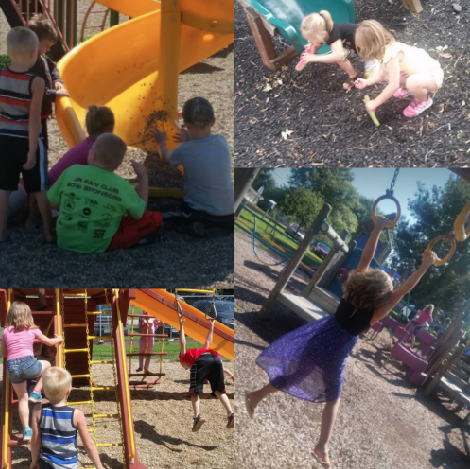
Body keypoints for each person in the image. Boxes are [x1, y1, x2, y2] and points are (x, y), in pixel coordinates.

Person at [245, 216, 437, 468]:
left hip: (321, 335)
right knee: (333, 399)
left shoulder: (352, 288)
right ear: (384, 296)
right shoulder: (380, 310)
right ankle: (322, 445)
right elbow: (406, 287)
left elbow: (365, 259)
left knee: (296, 375)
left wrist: (378, 228)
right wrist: (425, 266)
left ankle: (257, 395)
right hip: (336, 350)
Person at [47, 133, 163, 253]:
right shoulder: (122, 186)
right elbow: (140, 213)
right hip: (100, 246)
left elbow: (52, 202)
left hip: (64, 239)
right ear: (118, 164)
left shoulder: (71, 171)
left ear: (92, 154)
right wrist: (143, 178)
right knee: (156, 217)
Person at [0, 27, 54, 244]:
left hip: (4, 138)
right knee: (40, 187)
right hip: (27, 140)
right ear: (34, 53)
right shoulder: (36, 82)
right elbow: (34, 119)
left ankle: (1, 232)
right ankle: (49, 232)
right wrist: (32, 150)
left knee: (3, 188)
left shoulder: (1, 76)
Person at [152, 97, 234, 236]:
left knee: (161, 215)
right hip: (230, 215)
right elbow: (202, 149)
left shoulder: (186, 150)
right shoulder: (222, 141)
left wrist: (161, 142)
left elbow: (165, 158)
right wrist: (189, 139)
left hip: (205, 215)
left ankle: (197, 228)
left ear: (186, 124)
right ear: (213, 122)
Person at [354, 20, 444, 117]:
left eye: (361, 47)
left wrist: (375, 102)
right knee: (389, 75)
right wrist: (368, 82)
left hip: (432, 76)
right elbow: (382, 74)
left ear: (368, 46)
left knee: (412, 82)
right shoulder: (383, 51)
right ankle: (409, 87)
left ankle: (423, 101)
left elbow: (394, 85)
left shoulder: (391, 55)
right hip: (417, 75)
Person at [1, 302, 63, 441]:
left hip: (13, 367)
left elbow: (4, 354)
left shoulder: (6, 331)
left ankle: (26, 430)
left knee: (22, 399)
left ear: (10, 315)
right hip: (28, 364)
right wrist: (58, 339)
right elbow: (49, 342)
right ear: (28, 316)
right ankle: (36, 392)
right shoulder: (33, 330)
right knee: (47, 365)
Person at [29, 367, 104, 469]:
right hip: (68, 465)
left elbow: (35, 441)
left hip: (46, 463)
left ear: (44, 391)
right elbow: (88, 445)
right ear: (69, 391)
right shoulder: (76, 415)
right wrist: (99, 466)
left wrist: (34, 461)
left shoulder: (38, 410)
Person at [296, 11, 379, 89]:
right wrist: (311, 48)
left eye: (311, 39)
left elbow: (337, 55)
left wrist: (314, 57)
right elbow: (317, 44)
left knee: (372, 67)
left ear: (322, 34)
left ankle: (377, 66)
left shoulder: (333, 33)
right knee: (341, 59)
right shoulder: (323, 33)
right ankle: (353, 76)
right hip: (352, 43)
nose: (309, 41)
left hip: (368, 42)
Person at [178, 315, 234, 432]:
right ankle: (231, 414)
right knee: (219, 390)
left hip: (203, 361)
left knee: (194, 391)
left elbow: (183, 342)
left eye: (183, 367)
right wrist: (212, 325)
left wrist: (181, 325)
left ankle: (197, 416)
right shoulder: (202, 350)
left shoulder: (183, 357)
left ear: (181, 361)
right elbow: (208, 341)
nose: (185, 368)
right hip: (216, 359)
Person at [28, 15, 69, 152]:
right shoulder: (28, 64)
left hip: (42, 114)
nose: (49, 49)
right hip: (32, 117)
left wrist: (57, 80)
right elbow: (34, 91)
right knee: (36, 146)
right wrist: (55, 94)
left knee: (42, 146)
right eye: (47, 45)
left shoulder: (42, 58)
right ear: (35, 42)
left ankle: (39, 166)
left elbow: (53, 68)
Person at [48, 106, 115, 186]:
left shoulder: (89, 144)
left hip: (52, 181)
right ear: (110, 129)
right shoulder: (96, 150)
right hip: (54, 187)